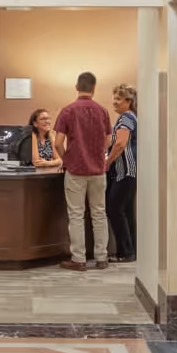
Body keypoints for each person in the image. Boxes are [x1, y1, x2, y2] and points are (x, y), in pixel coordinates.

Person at [54, 72, 112, 271]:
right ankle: (102, 257)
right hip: (98, 171)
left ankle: (78, 259)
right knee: (99, 214)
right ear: (94, 88)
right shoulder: (103, 111)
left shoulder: (67, 111)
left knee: (76, 215)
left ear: (76, 87)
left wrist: (67, 160)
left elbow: (58, 142)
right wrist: (99, 154)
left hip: (76, 170)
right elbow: (107, 140)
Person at [104, 84, 138, 263]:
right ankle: (131, 250)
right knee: (126, 211)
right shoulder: (131, 117)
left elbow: (120, 144)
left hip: (125, 171)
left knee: (114, 209)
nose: (114, 102)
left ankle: (125, 252)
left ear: (128, 101)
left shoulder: (125, 118)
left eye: (118, 99)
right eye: (114, 98)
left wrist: (107, 163)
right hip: (129, 172)